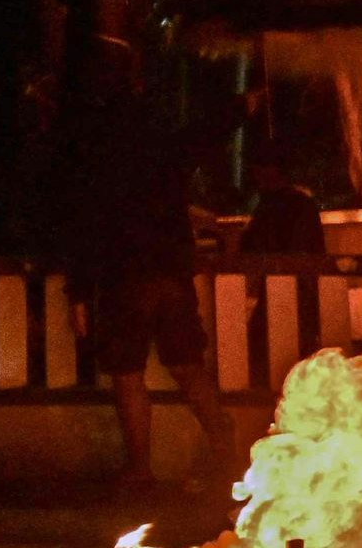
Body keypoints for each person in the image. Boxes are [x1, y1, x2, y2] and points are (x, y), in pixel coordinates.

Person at [64, 90, 238, 492]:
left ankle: (141, 467)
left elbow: (84, 230)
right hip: (172, 274)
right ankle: (225, 453)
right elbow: (207, 131)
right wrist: (240, 106)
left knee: (127, 374)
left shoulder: (98, 167)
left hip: (125, 276)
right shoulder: (167, 159)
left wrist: (77, 292)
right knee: (187, 366)